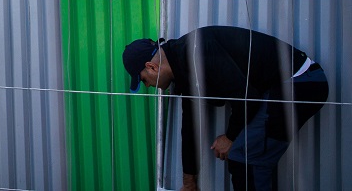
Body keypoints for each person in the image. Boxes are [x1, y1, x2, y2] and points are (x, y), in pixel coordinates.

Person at [123, 26, 329, 191]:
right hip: (284, 88)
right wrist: (189, 182)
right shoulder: (182, 68)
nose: (148, 86)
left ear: (152, 67)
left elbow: (247, 97)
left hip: (301, 82)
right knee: (246, 159)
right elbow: (192, 126)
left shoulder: (197, 51)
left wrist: (230, 137)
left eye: (144, 80)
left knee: (245, 160)